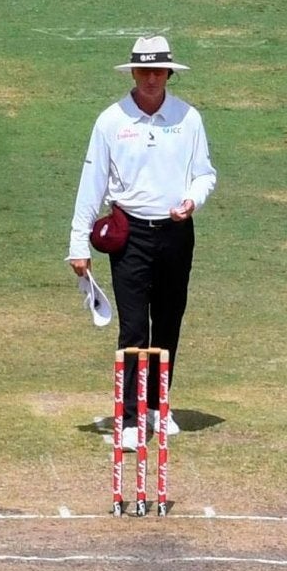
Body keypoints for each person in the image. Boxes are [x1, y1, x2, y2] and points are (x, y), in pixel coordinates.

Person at [67, 36, 217, 466]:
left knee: (168, 321)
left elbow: (205, 174)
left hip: (175, 231)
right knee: (134, 328)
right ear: (133, 73)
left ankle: (157, 407)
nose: (151, 79)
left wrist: (192, 200)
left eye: (159, 71)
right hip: (129, 232)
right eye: (144, 71)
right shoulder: (111, 121)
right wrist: (78, 245)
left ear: (169, 74)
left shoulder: (188, 118)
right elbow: (91, 184)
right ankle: (131, 418)